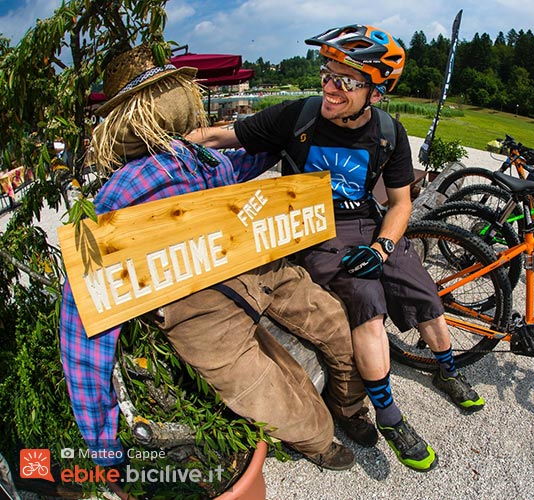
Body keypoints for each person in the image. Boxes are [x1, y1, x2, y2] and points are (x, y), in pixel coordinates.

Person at [59, 44, 378, 473]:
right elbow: (87, 304)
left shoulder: (202, 156)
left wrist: (291, 134)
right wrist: (101, 437)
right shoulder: (121, 192)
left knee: (333, 322)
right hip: (193, 302)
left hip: (254, 263)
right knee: (261, 384)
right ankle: (322, 437)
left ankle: (348, 410)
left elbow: (242, 165)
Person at [188, 24, 485, 473]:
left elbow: (401, 202)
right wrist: (160, 144)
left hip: (369, 222)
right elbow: (218, 136)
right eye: (327, 74)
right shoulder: (300, 116)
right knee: (367, 299)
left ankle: (447, 368)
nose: (330, 88)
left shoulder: (389, 131)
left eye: (346, 81)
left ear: (376, 91)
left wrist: (384, 247)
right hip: (315, 229)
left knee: (422, 290)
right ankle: (388, 416)